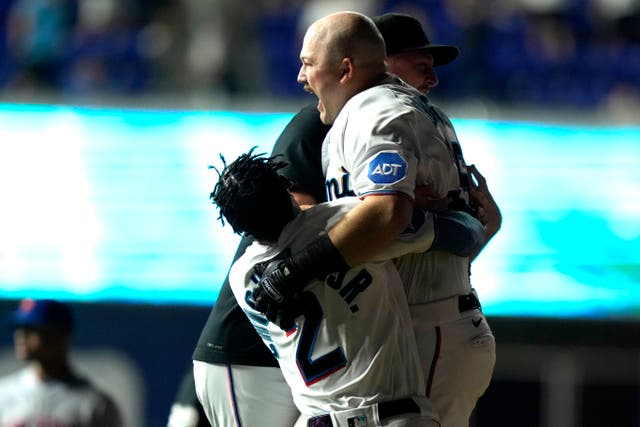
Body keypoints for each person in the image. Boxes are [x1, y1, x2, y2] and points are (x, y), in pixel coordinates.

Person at [256, 11, 498, 427]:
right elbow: (437, 224)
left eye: (308, 63)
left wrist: (298, 268)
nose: (300, 76)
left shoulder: (376, 110)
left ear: (345, 68)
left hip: (429, 323)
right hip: (433, 321)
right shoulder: (399, 109)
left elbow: (387, 214)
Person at [209, 150, 484, 426]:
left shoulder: (241, 276)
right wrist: (414, 208)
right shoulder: (345, 216)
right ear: (285, 186)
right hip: (393, 415)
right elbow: (466, 234)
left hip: (319, 418)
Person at [372, 13, 500, 427]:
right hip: (446, 319)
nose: (434, 80)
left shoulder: (405, 118)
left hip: (437, 324)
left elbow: (399, 226)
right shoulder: (419, 117)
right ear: (385, 62)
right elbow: (457, 234)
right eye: (422, 67)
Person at [0, 298, 123, 427]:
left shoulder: (94, 404)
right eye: (19, 328)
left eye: (32, 328)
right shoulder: (3, 393)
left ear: (61, 335)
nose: (21, 336)